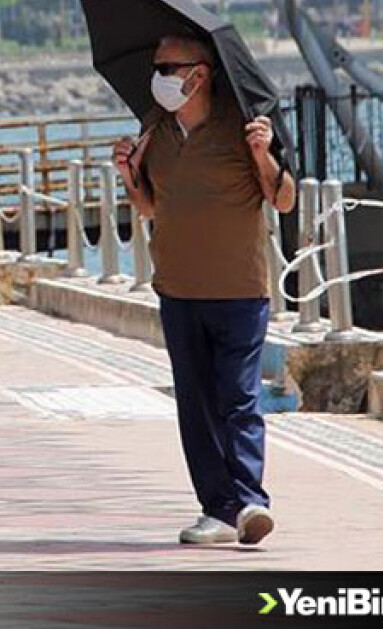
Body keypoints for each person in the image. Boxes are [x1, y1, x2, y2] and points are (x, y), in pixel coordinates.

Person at [114, 35, 295, 548]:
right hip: (177, 289)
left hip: (238, 289)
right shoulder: (154, 130)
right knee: (195, 404)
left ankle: (251, 501)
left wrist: (262, 155)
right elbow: (149, 206)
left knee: (237, 398)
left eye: (169, 67)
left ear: (201, 73)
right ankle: (217, 509)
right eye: (156, 67)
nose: (160, 77)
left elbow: (282, 198)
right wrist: (129, 174)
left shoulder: (244, 126)